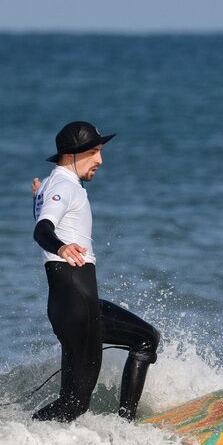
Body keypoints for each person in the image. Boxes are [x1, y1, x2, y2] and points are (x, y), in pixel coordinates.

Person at [30, 121, 160, 423]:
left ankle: (126, 424)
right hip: (77, 302)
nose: (100, 160)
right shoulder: (63, 186)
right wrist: (61, 247)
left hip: (72, 303)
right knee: (73, 406)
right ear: (72, 154)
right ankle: (124, 427)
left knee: (146, 338)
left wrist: (37, 197)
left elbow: (48, 216)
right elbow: (42, 230)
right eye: (94, 152)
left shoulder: (56, 185)